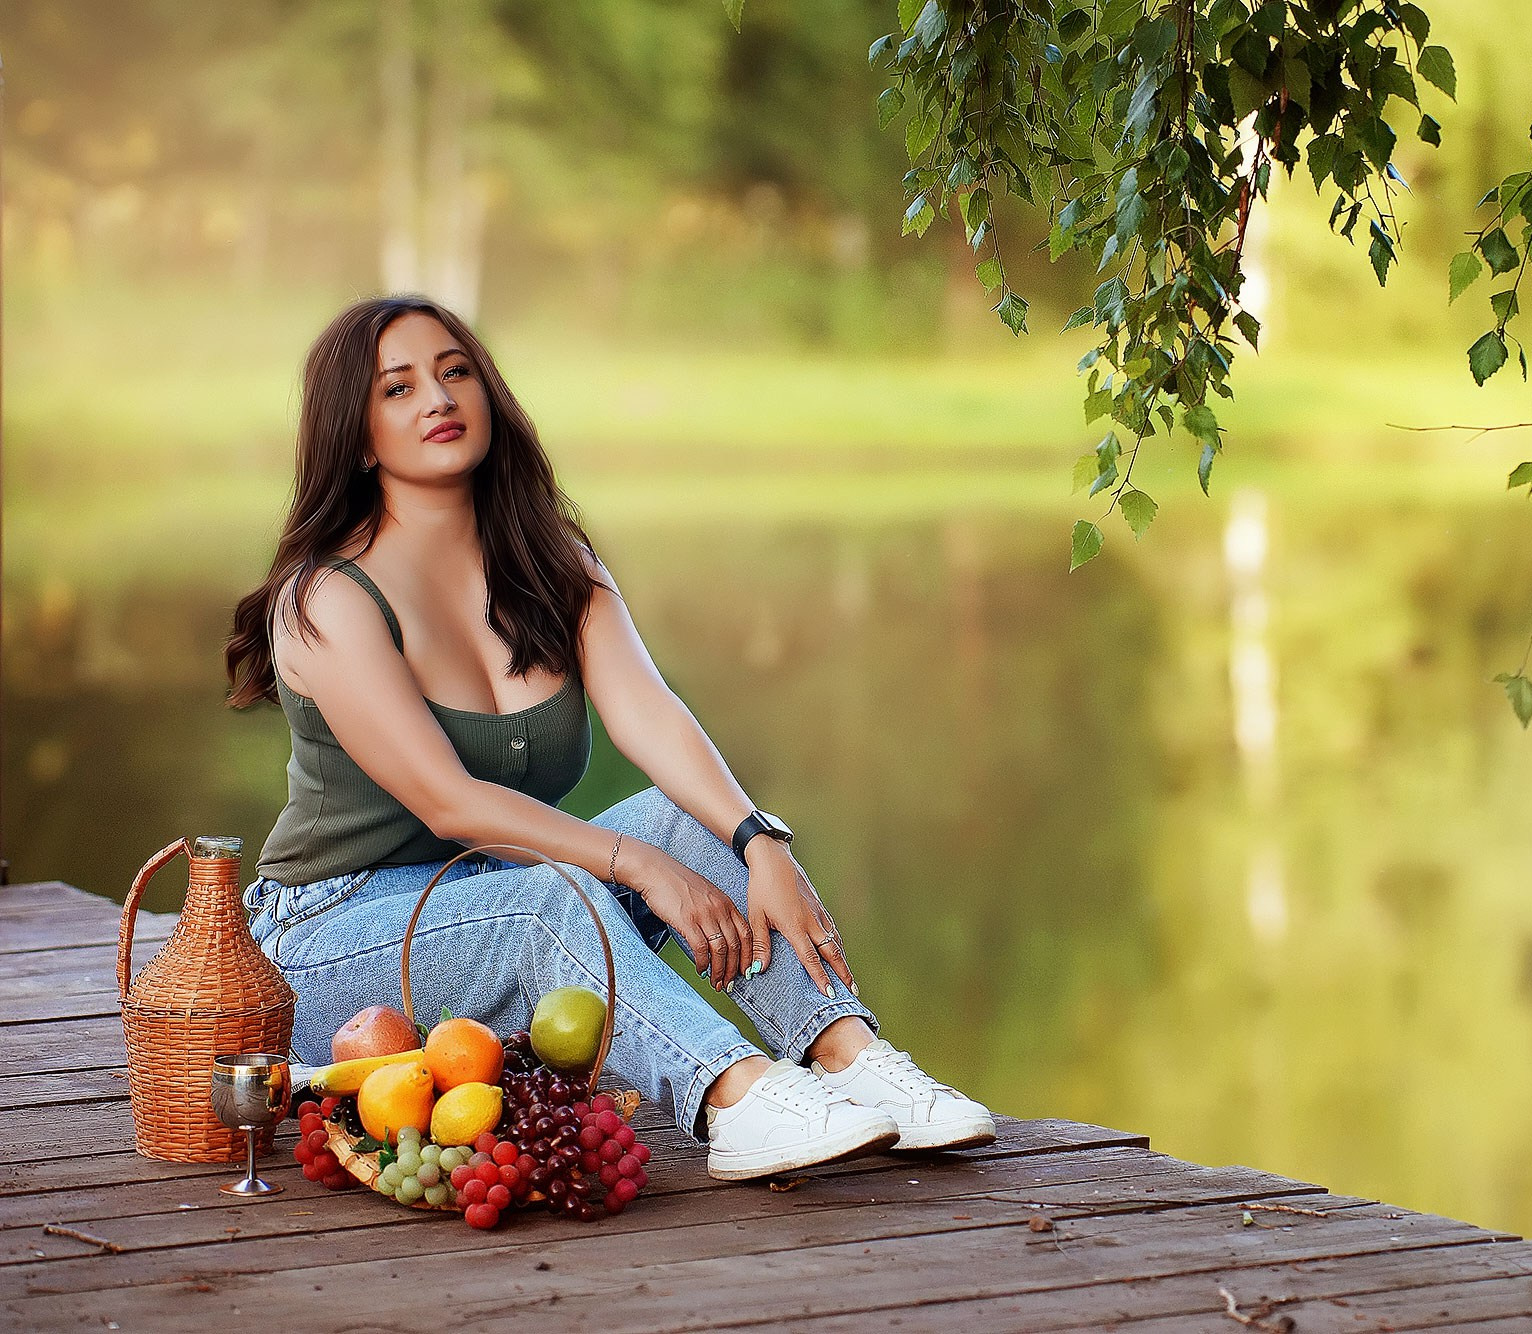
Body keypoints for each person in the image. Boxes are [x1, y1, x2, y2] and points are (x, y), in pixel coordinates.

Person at [225, 294, 995, 1180]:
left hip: (492, 894)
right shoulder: (323, 599)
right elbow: (451, 801)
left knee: (690, 821)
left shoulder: (552, 563)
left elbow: (650, 714)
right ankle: (732, 1097)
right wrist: (632, 865)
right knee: (554, 897)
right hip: (331, 937)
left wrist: (758, 840)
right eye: (398, 389)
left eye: (454, 372)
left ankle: (850, 1059)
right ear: (358, 438)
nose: (437, 399)